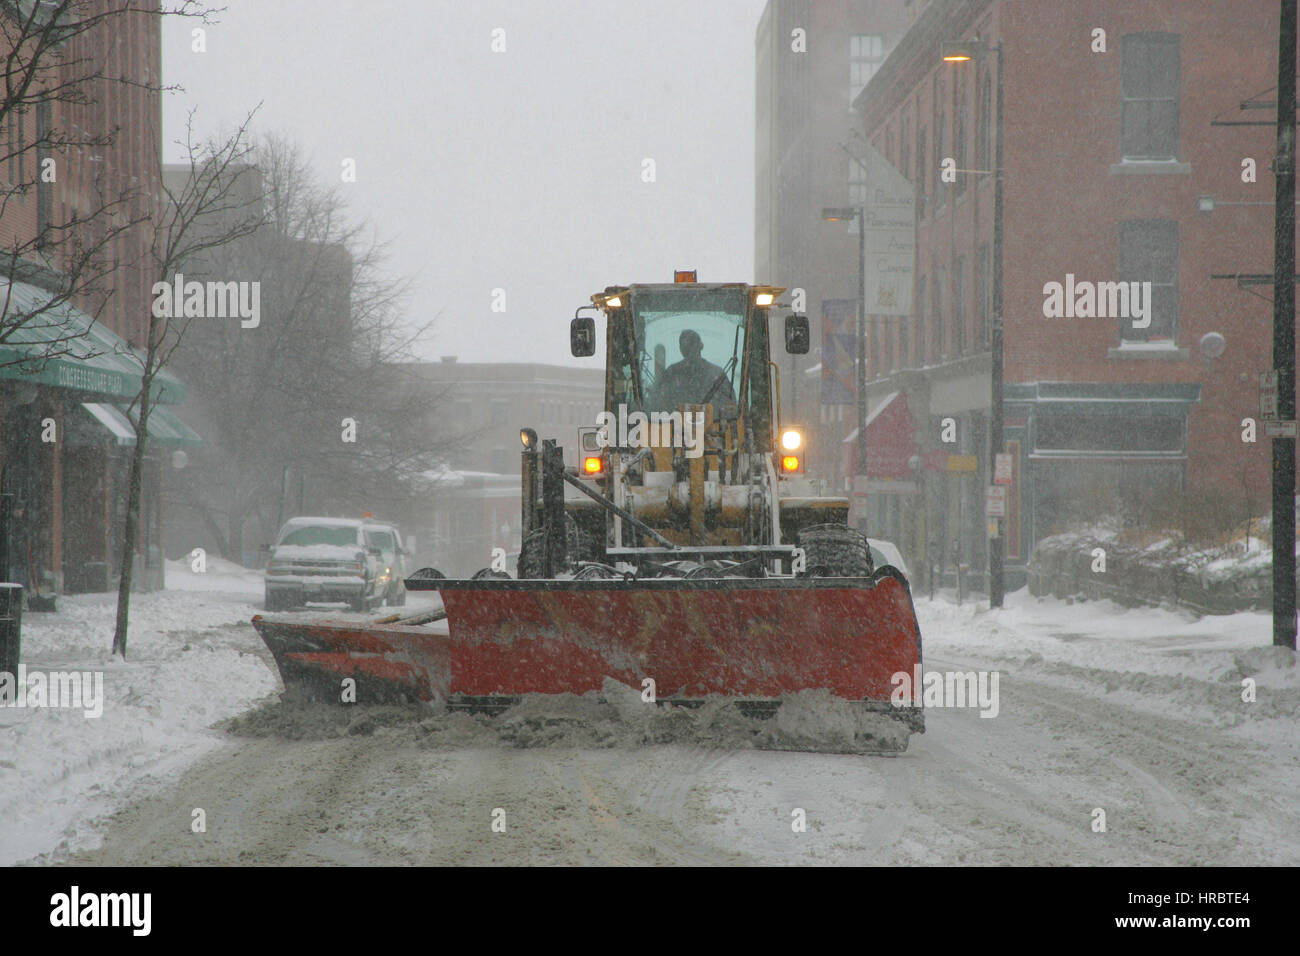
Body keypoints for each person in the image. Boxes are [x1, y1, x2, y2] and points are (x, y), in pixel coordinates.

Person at [654, 329, 735, 411]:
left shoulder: (717, 375)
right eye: (686, 346)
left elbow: (730, 408)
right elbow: (660, 406)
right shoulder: (671, 373)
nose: (690, 349)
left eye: (692, 344)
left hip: (711, 423)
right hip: (675, 423)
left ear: (700, 346)